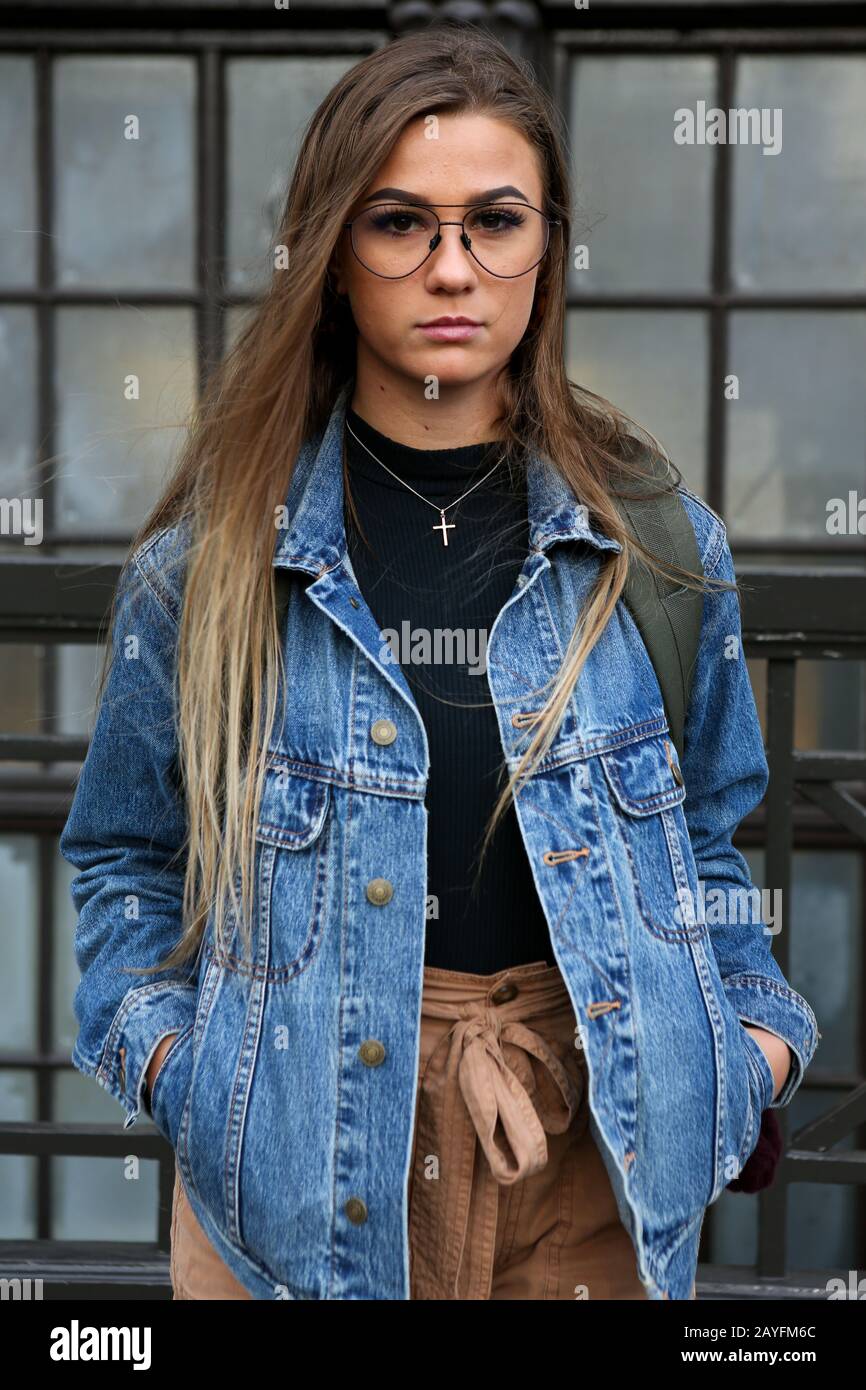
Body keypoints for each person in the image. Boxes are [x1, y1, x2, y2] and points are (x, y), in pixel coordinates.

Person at [61, 22, 818, 1302]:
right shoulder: (210, 571)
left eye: (496, 222)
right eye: (401, 222)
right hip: (286, 1173)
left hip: (588, 1157)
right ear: (335, 256)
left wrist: (750, 1046)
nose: (452, 269)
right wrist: (186, 1074)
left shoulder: (656, 548)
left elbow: (703, 839)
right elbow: (123, 858)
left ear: (547, 252)